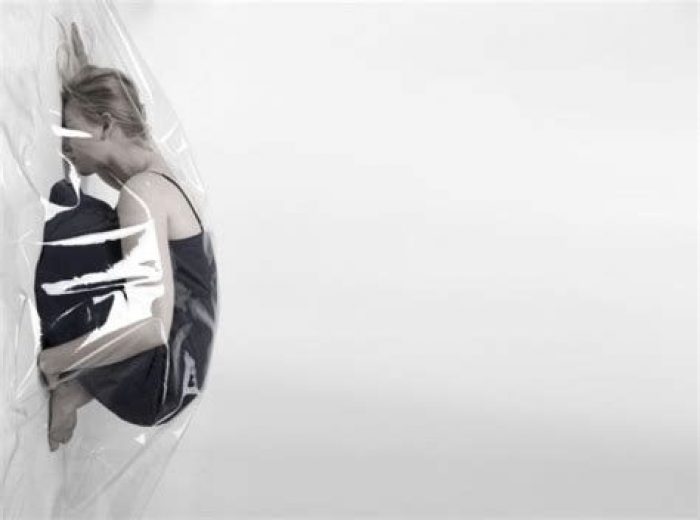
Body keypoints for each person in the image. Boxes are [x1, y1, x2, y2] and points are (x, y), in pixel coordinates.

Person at [36, 37, 218, 451]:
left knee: (72, 222)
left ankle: (74, 382)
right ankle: (81, 387)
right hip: (177, 384)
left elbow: (151, 326)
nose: (64, 141)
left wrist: (54, 363)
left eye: (70, 127)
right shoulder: (159, 177)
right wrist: (83, 80)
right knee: (91, 219)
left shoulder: (142, 195)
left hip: (156, 382)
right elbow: (115, 148)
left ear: (105, 125)